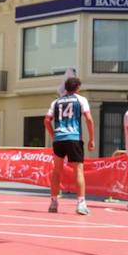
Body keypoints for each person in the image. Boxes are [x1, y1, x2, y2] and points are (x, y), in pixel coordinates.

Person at [44, 75, 93, 215]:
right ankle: (81, 204)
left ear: (66, 88)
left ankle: (53, 202)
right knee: (78, 171)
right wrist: (91, 139)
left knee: (56, 171)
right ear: (78, 88)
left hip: (59, 139)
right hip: (74, 137)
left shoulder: (56, 102)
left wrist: (54, 135)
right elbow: (88, 119)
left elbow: (47, 121)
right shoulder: (81, 99)